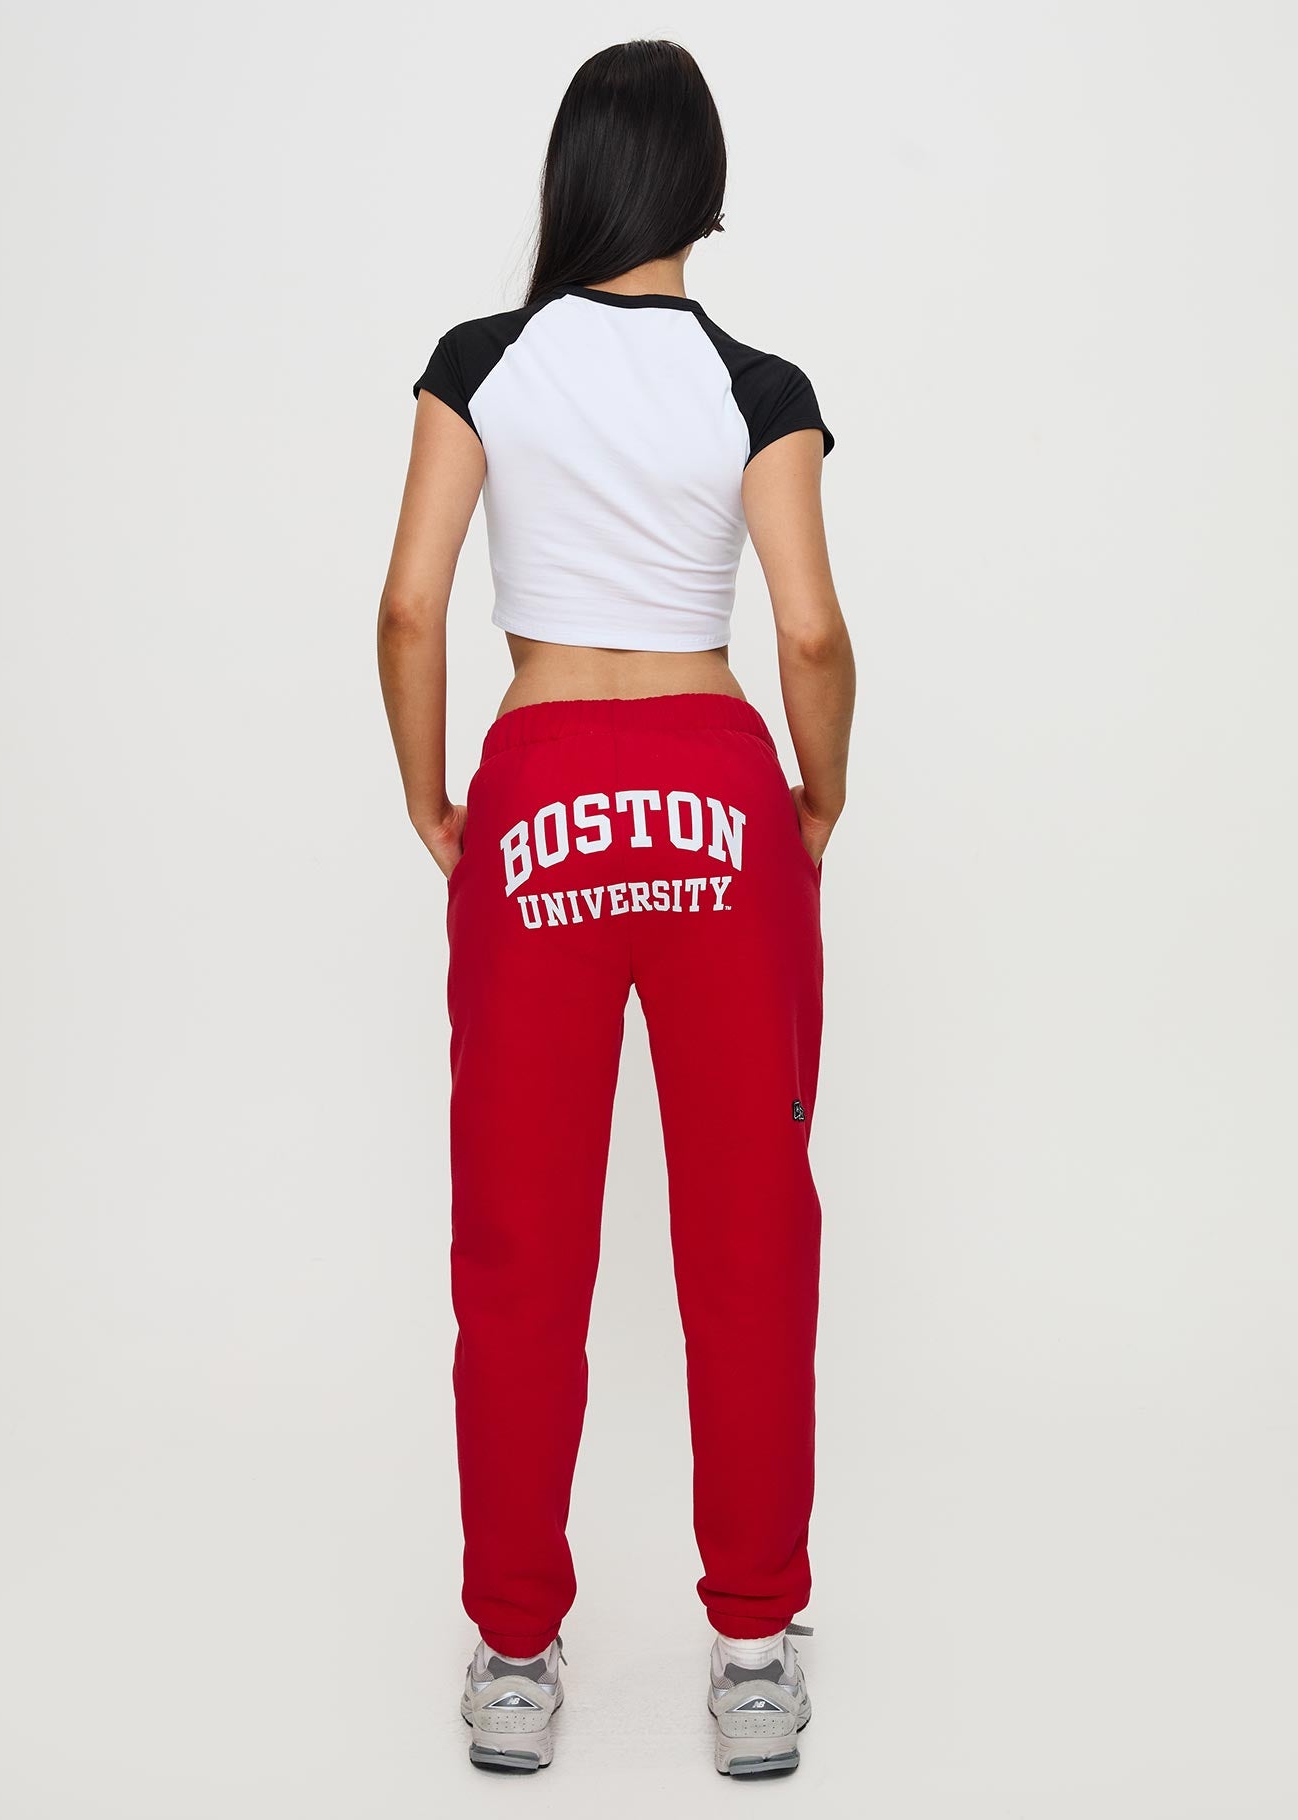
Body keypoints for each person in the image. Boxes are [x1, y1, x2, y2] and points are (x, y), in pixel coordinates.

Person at [377, 38, 855, 1779]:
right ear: (704, 190)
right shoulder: (757, 383)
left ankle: (515, 1653)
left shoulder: (482, 363)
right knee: (750, 1237)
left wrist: (435, 798)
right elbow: (808, 630)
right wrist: (815, 798)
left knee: (518, 1239)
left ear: (572, 175)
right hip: (720, 804)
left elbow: (411, 604)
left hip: (543, 796)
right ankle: (754, 1654)